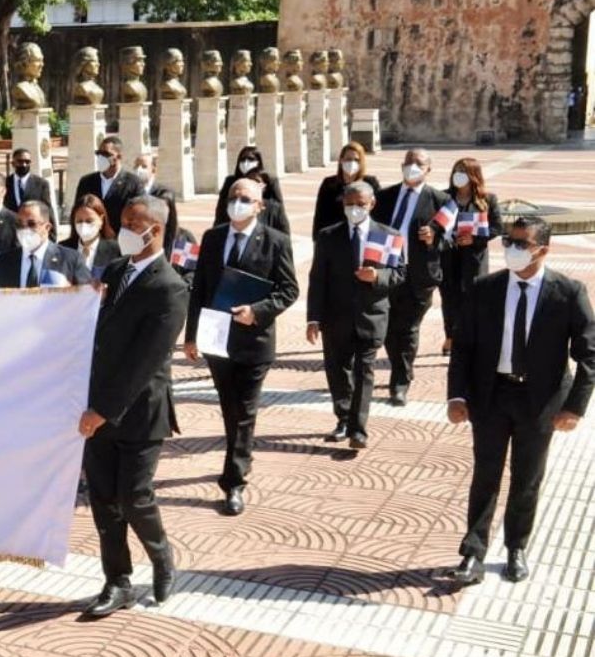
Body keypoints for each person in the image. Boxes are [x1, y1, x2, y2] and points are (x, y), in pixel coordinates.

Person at [442, 216, 595, 585]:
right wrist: (457, 395)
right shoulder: (485, 289)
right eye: (508, 241)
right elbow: (463, 348)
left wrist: (574, 406)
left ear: (543, 249)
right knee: (486, 474)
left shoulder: (568, 292)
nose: (512, 249)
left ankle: (516, 547)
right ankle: (473, 552)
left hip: (540, 402)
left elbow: (589, 353)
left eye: (521, 243)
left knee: (527, 477)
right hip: (492, 396)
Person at [78, 196, 189, 618]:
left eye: (132, 223)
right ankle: (117, 581)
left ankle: (161, 558)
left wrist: (102, 410)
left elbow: (145, 362)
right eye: (122, 221)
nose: (123, 229)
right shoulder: (117, 270)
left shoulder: (171, 287)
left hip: (140, 412)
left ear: (154, 230)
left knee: (135, 495)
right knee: (104, 498)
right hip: (99, 405)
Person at [183, 179, 299, 515]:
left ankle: (233, 482)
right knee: (229, 408)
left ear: (260, 206)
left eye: (246, 199)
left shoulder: (275, 241)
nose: (238, 203)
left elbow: (289, 290)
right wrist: (191, 335)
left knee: (244, 412)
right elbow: (200, 287)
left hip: (254, 343)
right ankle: (242, 456)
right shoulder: (213, 237)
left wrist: (257, 312)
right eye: (234, 197)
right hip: (217, 339)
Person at [307, 181, 406, 449]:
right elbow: (318, 279)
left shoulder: (388, 235)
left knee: (365, 371)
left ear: (371, 204)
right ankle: (343, 417)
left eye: (360, 205)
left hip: (371, 316)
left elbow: (400, 272)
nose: (354, 209)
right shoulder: (329, 236)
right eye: (349, 204)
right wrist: (313, 318)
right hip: (335, 316)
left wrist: (378, 276)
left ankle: (358, 430)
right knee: (337, 372)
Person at [374, 148, 451, 406]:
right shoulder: (384, 197)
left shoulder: (440, 201)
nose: (412, 167)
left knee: (407, 329)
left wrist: (435, 238)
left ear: (429, 169)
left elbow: (452, 240)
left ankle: (399, 383)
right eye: (408, 162)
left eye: (418, 163)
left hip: (418, 275)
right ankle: (402, 367)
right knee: (387, 329)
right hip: (387, 272)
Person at [438, 157, 503, 355]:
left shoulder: (488, 199)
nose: (459, 175)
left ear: (474, 175)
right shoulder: (443, 197)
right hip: (448, 257)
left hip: (474, 258)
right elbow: (436, 223)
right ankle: (450, 337)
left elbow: (496, 227)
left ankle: (474, 337)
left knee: (474, 298)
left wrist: (474, 239)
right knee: (449, 299)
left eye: (464, 171)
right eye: (456, 170)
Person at [0, 200, 90, 288]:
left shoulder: (71, 259)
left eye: (31, 224)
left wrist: (70, 291)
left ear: (47, 227)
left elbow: (87, 297)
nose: (25, 229)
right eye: (19, 225)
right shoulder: (0, 263)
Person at [72, 136, 144, 235]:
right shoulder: (86, 181)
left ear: (119, 157)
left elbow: (138, 216)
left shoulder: (133, 183)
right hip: (91, 239)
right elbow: (77, 212)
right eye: (99, 154)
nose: (101, 157)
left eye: (106, 154)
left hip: (119, 241)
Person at [312, 142, 382, 238]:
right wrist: (317, 239)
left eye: (356, 160)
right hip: (335, 237)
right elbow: (320, 216)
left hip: (364, 236)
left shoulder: (371, 183)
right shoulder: (329, 184)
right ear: (341, 161)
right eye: (348, 159)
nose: (352, 163)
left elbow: (380, 213)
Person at [214, 146, 285, 222]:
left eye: (250, 159)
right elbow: (221, 209)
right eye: (243, 159)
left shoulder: (269, 181)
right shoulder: (230, 181)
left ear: (258, 162)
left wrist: (258, 194)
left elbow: (279, 207)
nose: (246, 162)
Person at [59, 194, 121, 279]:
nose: (84, 225)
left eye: (89, 221)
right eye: (79, 221)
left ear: (101, 220)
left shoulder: (115, 250)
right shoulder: (63, 248)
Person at [214, 169, 290, 235]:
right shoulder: (230, 207)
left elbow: (283, 233)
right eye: (249, 180)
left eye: (257, 181)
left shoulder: (274, 209)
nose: (238, 203)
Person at [3, 148, 54, 216]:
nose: (24, 165)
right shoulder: (4, 183)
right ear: (13, 163)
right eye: (20, 161)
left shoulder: (41, 184)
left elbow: (47, 208)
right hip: (10, 224)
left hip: (32, 223)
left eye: (27, 162)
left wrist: (52, 226)